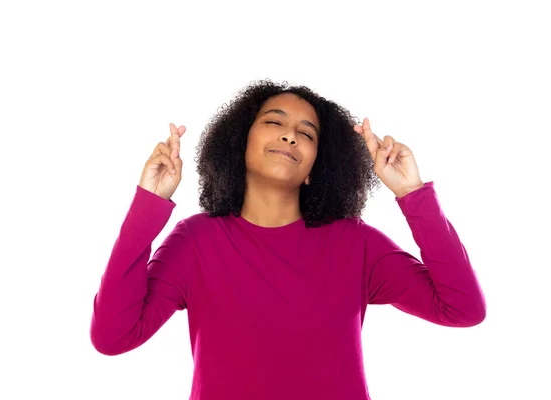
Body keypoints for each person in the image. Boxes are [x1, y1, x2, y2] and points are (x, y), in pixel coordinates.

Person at [90, 79, 486, 399]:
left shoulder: (356, 244)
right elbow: (112, 335)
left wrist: (412, 193)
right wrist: (149, 205)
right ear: (240, 144)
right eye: (274, 122)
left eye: (306, 133)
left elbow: (463, 307)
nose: (290, 136)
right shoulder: (196, 241)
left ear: (316, 167)